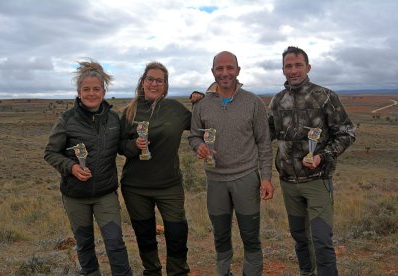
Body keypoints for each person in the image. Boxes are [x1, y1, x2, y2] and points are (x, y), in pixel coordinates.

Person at [268, 46, 356, 276]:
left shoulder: (325, 96)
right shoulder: (277, 101)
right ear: (283, 70)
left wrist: (323, 156)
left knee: (321, 240)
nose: (294, 70)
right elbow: (264, 135)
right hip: (288, 182)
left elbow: (347, 133)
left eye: (298, 65)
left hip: (317, 180)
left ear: (308, 67)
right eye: (289, 66)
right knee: (300, 239)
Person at [188, 51, 274, 276]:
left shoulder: (253, 102)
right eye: (220, 68)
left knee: (250, 235)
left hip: (246, 178)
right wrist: (199, 147)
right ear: (213, 71)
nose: (225, 73)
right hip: (215, 180)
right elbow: (194, 136)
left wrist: (266, 177)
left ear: (238, 70)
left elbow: (264, 143)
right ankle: (224, 272)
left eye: (229, 68)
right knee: (221, 235)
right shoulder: (202, 105)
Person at [44, 59, 133, 276]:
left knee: (115, 243)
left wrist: (138, 145)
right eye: (86, 89)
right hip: (75, 195)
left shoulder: (113, 119)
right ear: (78, 91)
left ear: (103, 91)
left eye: (96, 89)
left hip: (105, 194)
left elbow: (122, 147)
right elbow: (50, 153)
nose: (91, 93)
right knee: (84, 243)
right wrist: (72, 167)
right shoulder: (66, 120)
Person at [119, 61, 203, 275]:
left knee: (177, 233)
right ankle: (152, 270)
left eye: (160, 80)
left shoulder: (175, 109)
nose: (154, 84)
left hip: (169, 185)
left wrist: (202, 101)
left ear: (165, 85)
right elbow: (120, 147)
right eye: (150, 79)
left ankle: (177, 271)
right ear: (142, 82)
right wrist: (133, 146)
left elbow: (200, 124)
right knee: (145, 234)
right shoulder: (129, 111)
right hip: (136, 186)